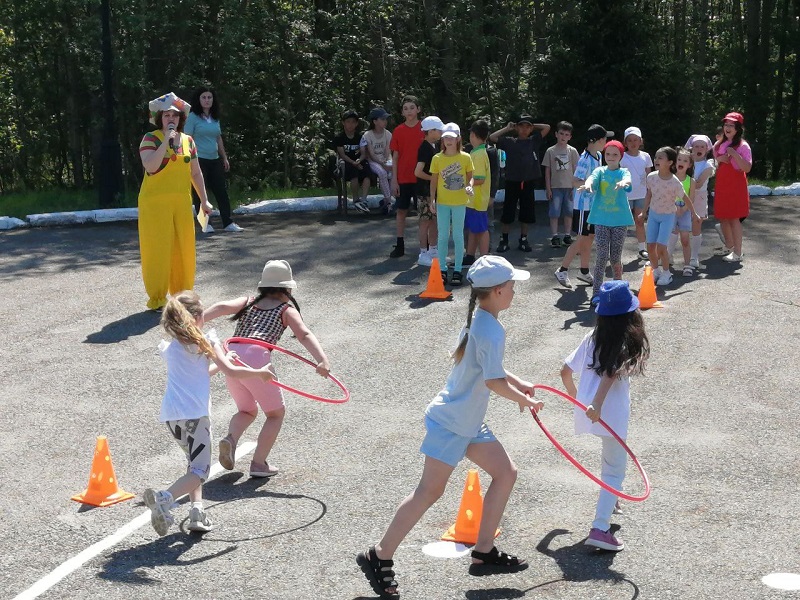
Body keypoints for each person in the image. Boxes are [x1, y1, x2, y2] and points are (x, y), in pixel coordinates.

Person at [356, 255, 542, 600]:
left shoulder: (480, 318)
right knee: (428, 492)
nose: (515, 291)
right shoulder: (490, 328)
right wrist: (523, 399)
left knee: (506, 473)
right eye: (512, 286)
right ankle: (379, 556)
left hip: (466, 420)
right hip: (454, 422)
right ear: (498, 291)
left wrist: (520, 383)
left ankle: (484, 551)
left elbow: (489, 368)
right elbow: (493, 381)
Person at [143, 291, 275, 536]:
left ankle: (197, 512)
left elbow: (200, 373)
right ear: (196, 317)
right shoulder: (205, 341)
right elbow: (232, 372)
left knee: (194, 463)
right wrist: (260, 373)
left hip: (173, 416)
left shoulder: (171, 347)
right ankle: (164, 498)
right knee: (200, 471)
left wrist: (223, 362)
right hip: (196, 416)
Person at [202, 260, 330, 478]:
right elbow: (304, 334)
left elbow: (222, 307)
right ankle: (259, 464)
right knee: (275, 414)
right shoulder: (286, 310)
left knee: (246, 410)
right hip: (256, 356)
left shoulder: (248, 302)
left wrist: (195, 321)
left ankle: (231, 439)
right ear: (287, 289)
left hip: (231, 354)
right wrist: (322, 360)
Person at [560, 280, 649, 552]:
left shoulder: (592, 337)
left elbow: (565, 371)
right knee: (614, 469)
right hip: (608, 414)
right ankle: (600, 528)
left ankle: (610, 498)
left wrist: (578, 398)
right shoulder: (624, 342)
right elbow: (611, 372)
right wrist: (596, 404)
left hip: (589, 410)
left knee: (609, 462)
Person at [138, 92, 212, 311]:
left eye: (175, 116)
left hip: (181, 203)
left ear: (181, 119)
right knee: (158, 249)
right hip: (155, 204)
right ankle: (157, 298)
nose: (171, 119)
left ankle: (183, 295)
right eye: (167, 115)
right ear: (160, 118)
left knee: (183, 249)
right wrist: (166, 142)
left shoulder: (188, 141)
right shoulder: (150, 139)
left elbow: (195, 173)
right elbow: (150, 166)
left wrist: (204, 201)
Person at [554, 124, 612, 289]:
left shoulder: (598, 156)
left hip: (593, 206)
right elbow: (575, 181)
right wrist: (591, 183)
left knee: (589, 237)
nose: (606, 142)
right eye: (604, 139)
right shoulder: (585, 160)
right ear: (597, 140)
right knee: (581, 239)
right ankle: (562, 270)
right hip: (583, 207)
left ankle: (584, 271)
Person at [580, 140, 633, 304]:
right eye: (608, 154)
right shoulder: (600, 171)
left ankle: (619, 290)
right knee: (602, 256)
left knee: (615, 257)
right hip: (601, 220)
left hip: (620, 221)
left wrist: (624, 183)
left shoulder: (624, 172)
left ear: (620, 156)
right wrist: (588, 185)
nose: (611, 157)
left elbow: (628, 180)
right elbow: (592, 179)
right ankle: (596, 293)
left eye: (615, 154)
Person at [489, 115, 551, 252]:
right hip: (512, 181)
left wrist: (534, 126)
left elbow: (547, 127)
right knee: (508, 212)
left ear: (531, 129)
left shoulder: (533, 140)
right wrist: (507, 128)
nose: (524, 129)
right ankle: (504, 240)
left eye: (527, 127)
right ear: (516, 128)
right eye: (521, 126)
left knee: (526, 213)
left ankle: (523, 239)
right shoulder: (510, 141)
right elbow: (492, 137)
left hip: (528, 181)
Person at [185, 86, 242, 232]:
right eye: (203, 97)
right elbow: (187, 138)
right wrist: (189, 159)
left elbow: (218, 138)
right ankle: (205, 224)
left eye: (209, 97)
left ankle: (228, 223)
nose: (207, 100)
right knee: (200, 192)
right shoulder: (193, 117)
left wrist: (224, 157)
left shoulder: (215, 117)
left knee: (221, 191)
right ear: (198, 100)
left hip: (214, 159)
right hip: (198, 159)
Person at [638, 146, 696, 286]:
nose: (656, 160)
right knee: (650, 246)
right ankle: (656, 270)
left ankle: (666, 273)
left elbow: (686, 198)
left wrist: (694, 214)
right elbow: (649, 194)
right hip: (653, 215)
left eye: (660, 157)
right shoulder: (651, 177)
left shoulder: (674, 181)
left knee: (661, 247)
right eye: (656, 157)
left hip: (668, 217)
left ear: (670, 162)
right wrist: (643, 212)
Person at [430, 123, 474, 286]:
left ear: (458, 139)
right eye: (446, 137)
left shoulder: (465, 157)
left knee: (457, 235)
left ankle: (457, 270)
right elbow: (434, 180)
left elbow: (471, 177)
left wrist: (470, 186)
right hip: (442, 202)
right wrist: (432, 199)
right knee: (443, 235)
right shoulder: (437, 158)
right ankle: (442, 269)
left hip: (459, 202)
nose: (448, 141)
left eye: (452, 138)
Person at [713, 112, 752, 262]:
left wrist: (735, 154)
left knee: (734, 218)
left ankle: (737, 253)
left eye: (731, 125)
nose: (727, 128)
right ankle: (729, 246)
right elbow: (716, 161)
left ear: (738, 128)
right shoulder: (720, 143)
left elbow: (747, 168)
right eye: (726, 124)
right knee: (723, 216)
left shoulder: (743, 146)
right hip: (722, 184)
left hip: (736, 185)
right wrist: (719, 159)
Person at [389, 96, 424, 258]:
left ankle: (426, 247)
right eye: (405, 108)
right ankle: (400, 244)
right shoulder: (398, 131)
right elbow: (395, 157)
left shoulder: (425, 129)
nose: (409, 111)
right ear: (402, 112)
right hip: (403, 178)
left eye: (412, 107)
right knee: (401, 211)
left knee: (423, 213)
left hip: (421, 178)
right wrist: (394, 180)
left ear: (418, 109)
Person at [542, 121, 580, 248]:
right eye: (561, 133)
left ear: (570, 137)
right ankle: (554, 235)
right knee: (554, 212)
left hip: (569, 187)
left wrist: (576, 186)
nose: (563, 137)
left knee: (569, 212)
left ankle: (567, 235)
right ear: (556, 134)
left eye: (566, 134)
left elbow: (576, 169)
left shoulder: (572, 151)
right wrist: (548, 188)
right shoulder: (550, 151)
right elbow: (547, 171)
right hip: (555, 187)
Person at [413, 116, 444, 266]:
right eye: (438, 130)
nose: (441, 133)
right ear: (430, 131)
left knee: (434, 221)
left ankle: (433, 250)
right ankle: (423, 253)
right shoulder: (424, 148)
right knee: (425, 221)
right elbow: (418, 172)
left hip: (433, 191)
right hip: (425, 191)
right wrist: (433, 179)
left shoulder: (434, 146)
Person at [620, 127, 653, 260]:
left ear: (640, 141)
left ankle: (642, 249)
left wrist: (650, 191)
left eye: (636, 140)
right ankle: (617, 250)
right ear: (625, 143)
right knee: (622, 223)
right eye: (630, 140)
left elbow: (649, 175)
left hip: (641, 194)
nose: (633, 143)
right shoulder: (621, 156)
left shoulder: (646, 156)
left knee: (639, 221)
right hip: (625, 195)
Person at [464, 120, 492, 266]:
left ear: (473, 135)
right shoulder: (477, 152)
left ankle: (484, 259)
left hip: (478, 200)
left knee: (481, 229)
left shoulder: (479, 154)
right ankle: (470, 256)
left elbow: (480, 179)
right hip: (473, 200)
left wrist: (464, 182)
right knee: (473, 229)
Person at [685, 134, 716, 267]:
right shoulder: (686, 161)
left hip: (699, 197)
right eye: (696, 146)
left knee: (696, 225)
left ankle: (694, 257)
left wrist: (683, 183)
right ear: (691, 148)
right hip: (683, 195)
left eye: (702, 147)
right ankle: (668, 255)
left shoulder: (708, 164)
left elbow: (698, 184)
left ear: (707, 149)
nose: (699, 149)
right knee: (677, 226)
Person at [333, 109, 372, 213]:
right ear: (343, 123)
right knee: (353, 173)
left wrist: (359, 160)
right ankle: (356, 199)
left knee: (367, 172)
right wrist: (353, 163)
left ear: (356, 123)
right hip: (346, 162)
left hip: (359, 161)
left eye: (353, 122)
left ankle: (364, 200)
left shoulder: (360, 137)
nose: (350, 124)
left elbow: (363, 152)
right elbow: (342, 154)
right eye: (348, 122)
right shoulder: (339, 138)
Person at [667, 147, 698, 276]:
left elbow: (691, 198)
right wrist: (674, 208)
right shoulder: (670, 178)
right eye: (679, 159)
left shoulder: (691, 181)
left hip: (685, 211)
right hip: (671, 210)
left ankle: (687, 265)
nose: (681, 162)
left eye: (685, 161)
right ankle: (666, 260)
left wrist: (684, 208)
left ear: (689, 165)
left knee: (685, 239)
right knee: (670, 236)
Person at [361, 107, 394, 213]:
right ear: (375, 121)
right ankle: (389, 201)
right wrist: (381, 163)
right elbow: (371, 154)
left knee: (393, 172)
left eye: (385, 119)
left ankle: (389, 199)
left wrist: (387, 161)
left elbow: (388, 151)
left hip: (385, 159)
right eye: (382, 119)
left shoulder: (388, 134)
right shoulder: (368, 135)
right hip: (373, 161)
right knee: (382, 172)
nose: (385, 121)